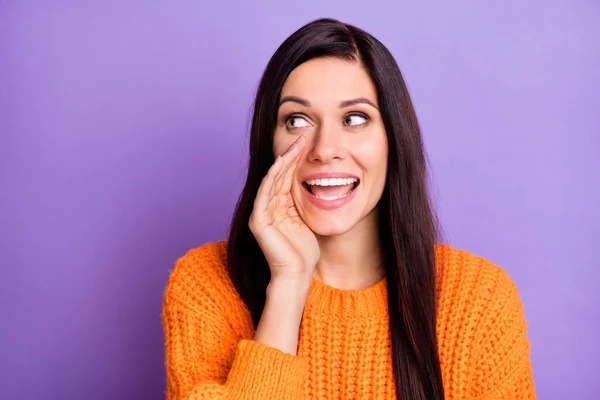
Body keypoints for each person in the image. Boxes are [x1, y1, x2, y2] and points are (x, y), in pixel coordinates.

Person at [161, 18, 536, 400]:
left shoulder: (478, 301)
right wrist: (289, 284)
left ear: (393, 139)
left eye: (354, 119)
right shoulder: (206, 285)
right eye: (297, 120)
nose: (324, 148)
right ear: (269, 142)